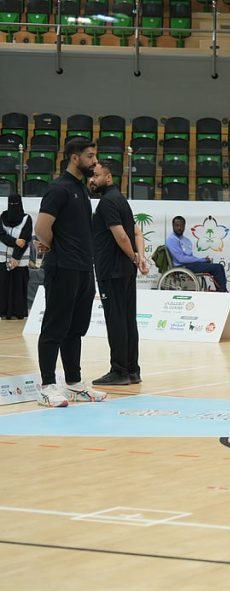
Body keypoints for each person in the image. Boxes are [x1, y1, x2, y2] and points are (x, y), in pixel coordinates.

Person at [33, 138, 107, 408]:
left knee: (75, 329)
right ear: (75, 158)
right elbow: (41, 229)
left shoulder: (81, 188)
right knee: (55, 327)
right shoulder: (59, 188)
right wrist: (58, 248)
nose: (95, 161)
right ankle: (47, 386)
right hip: (63, 268)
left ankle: (74, 383)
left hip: (84, 269)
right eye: (90, 156)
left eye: (95, 156)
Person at [89, 159, 148, 386]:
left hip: (112, 271)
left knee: (116, 321)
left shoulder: (106, 202)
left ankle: (119, 371)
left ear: (108, 177)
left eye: (96, 176)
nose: (92, 180)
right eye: (91, 176)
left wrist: (134, 256)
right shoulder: (120, 199)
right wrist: (140, 257)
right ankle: (132, 370)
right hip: (125, 270)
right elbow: (137, 232)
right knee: (127, 320)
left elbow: (122, 236)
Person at [165, 215, 228, 292]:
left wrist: (202, 260)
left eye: (181, 226)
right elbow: (181, 259)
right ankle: (222, 291)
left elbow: (189, 257)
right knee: (217, 268)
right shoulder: (172, 240)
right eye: (177, 225)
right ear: (173, 226)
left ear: (184, 226)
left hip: (190, 265)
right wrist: (201, 260)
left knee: (220, 267)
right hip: (182, 266)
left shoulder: (186, 240)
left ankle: (222, 290)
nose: (179, 228)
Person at [0, 194, 32, 320]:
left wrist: (16, 258)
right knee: (4, 286)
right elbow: (1, 235)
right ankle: (4, 312)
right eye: (11, 204)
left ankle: (18, 312)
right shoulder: (2, 217)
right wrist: (15, 241)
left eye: (16, 204)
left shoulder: (26, 219)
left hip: (19, 261)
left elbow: (25, 239)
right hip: (3, 260)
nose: (13, 206)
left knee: (18, 287)